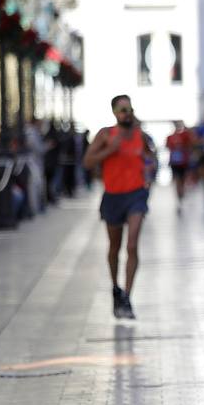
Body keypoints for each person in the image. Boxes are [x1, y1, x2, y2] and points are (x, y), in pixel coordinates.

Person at [82, 95, 154, 319]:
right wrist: (109, 150)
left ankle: (128, 296)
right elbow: (87, 162)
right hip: (113, 196)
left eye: (129, 108)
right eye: (122, 109)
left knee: (132, 245)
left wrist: (149, 174)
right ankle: (115, 286)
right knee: (115, 247)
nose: (127, 113)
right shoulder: (105, 135)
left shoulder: (140, 136)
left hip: (136, 195)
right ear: (114, 112)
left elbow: (151, 158)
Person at [165, 120, 195, 213]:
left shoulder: (185, 135)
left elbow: (191, 144)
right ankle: (179, 198)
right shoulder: (170, 137)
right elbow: (168, 147)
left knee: (182, 180)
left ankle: (181, 195)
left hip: (183, 163)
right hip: (175, 163)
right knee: (177, 180)